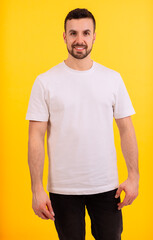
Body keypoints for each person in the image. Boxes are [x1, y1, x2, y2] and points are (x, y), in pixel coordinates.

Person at [26, 8, 139, 240]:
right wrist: (36, 189)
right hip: (63, 189)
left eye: (86, 33)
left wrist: (134, 176)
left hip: (107, 187)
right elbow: (35, 137)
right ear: (64, 36)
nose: (80, 40)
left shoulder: (112, 79)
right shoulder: (45, 82)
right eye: (73, 33)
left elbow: (126, 129)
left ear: (94, 36)